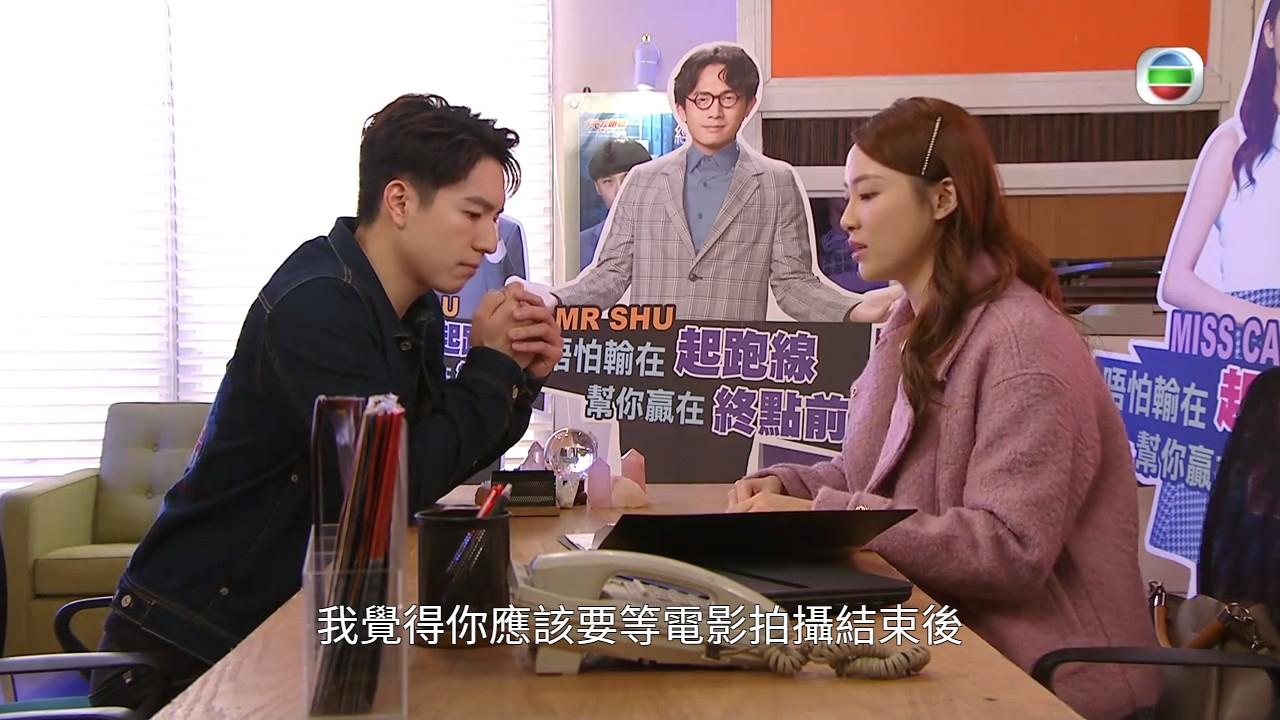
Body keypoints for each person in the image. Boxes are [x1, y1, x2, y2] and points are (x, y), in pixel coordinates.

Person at [88, 94, 563, 715]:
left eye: (495, 218)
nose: (489, 242)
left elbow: (436, 458)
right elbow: (389, 486)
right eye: (473, 214)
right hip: (193, 646)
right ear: (399, 202)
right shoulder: (317, 306)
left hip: (296, 627)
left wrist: (518, 379)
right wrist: (491, 367)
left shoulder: (407, 309)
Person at [726, 97, 1160, 720]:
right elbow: (865, 477)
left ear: (943, 199)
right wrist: (788, 485)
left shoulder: (1022, 344)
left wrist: (822, 515)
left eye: (868, 195)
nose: (846, 219)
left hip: (1043, 678)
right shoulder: (912, 323)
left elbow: (1009, 550)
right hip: (944, 640)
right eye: (847, 197)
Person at [539, 43, 901, 323]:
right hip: (651, 368)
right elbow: (612, 272)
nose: (715, 111)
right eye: (702, 99)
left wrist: (852, 309)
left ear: (749, 105)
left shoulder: (776, 183)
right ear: (682, 108)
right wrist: (555, 300)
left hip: (730, 368)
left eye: (729, 98)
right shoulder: (642, 181)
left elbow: (793, 284)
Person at [1160, 0, 1280, 320]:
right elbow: (1176, 282)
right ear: (1269, 33)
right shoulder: (1234, 143)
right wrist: (1266, 318)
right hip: (1250, 329)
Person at [579, 138, 652, 271]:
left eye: (628, 178)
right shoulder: (581, 245)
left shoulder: (673, 239)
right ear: (597, 188)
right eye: (608, 182)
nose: (619, 191)